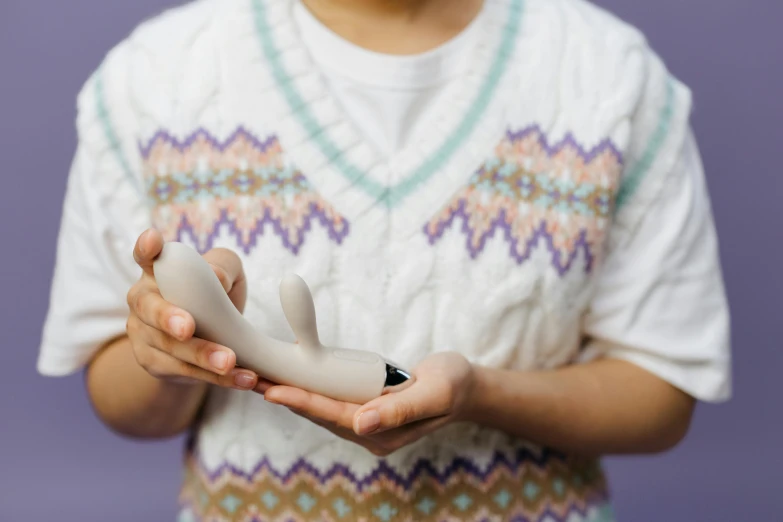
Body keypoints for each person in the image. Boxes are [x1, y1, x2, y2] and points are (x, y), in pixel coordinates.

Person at [38, 0, 731, 519]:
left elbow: (660, 400)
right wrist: (184, 348)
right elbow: (126, 406)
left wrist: (480, 396)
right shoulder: (150, 81)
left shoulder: (610, 78)